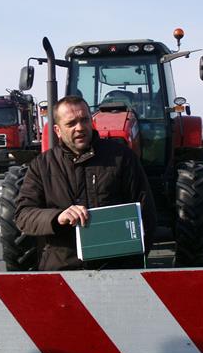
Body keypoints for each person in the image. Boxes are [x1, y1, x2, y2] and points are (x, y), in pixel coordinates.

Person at [15, 95, 157, 271]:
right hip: (63, 270)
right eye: (71, 123)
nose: (80, 128)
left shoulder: (121, 157)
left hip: (117, 270)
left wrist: (134, 263)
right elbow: (23, 215)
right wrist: (57, 217)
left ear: (92, 121)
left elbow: (146, 213)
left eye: (84, 120)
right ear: (58, 130)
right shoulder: (42, 166)